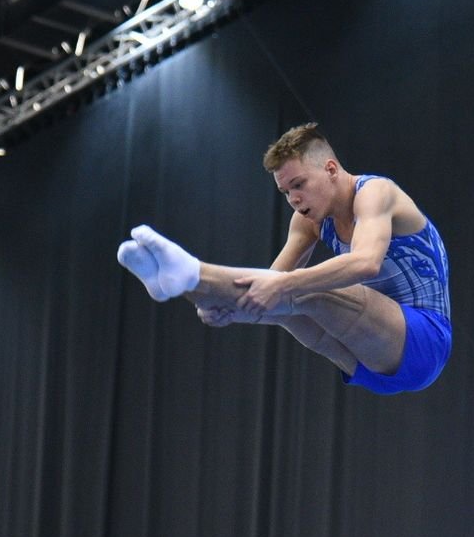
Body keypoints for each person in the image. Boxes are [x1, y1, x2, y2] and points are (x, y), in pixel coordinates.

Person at [116, 123, 451, 394]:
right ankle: (177, 284)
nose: (293, 198)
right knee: (283, 307)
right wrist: (230, 308)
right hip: (367, 362)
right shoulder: (308, 221)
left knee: (305, 290)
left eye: (299, 184)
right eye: (286, 192)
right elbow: (269, 283)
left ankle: (192, 272)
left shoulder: (375, 193)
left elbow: (365, 263)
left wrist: (282, 287)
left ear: (331, 168)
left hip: (424, 341)